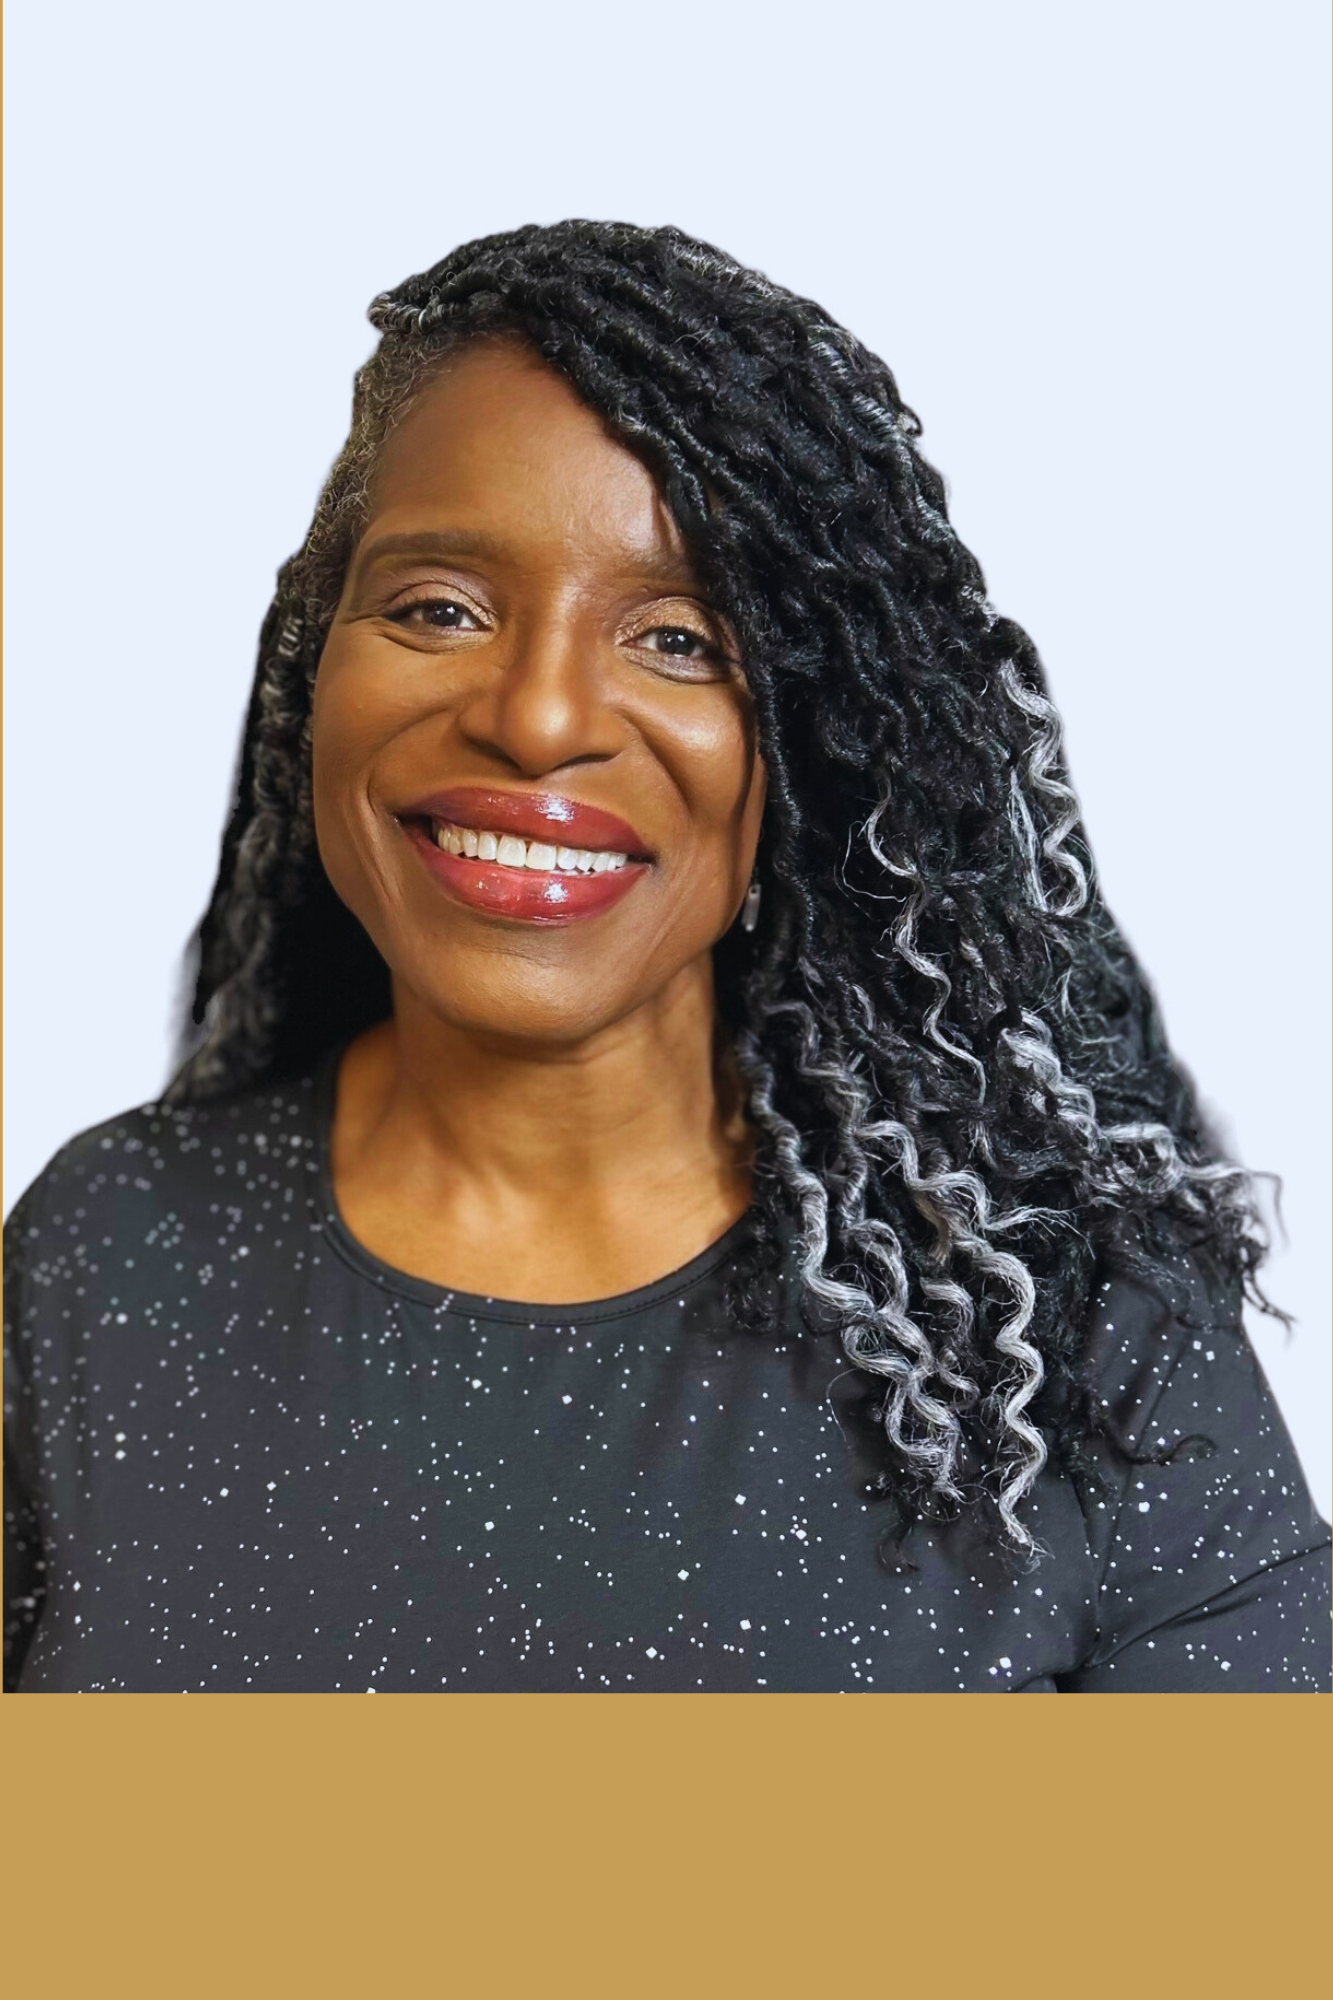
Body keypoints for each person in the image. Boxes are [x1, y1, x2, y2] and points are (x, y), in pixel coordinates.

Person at [5, 220, 1328, 1693]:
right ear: (320, 664)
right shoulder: (97, 1252)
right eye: (440, 607)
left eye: (684, 639)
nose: (539, 714)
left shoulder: (1078, 1331)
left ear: (817, 752)